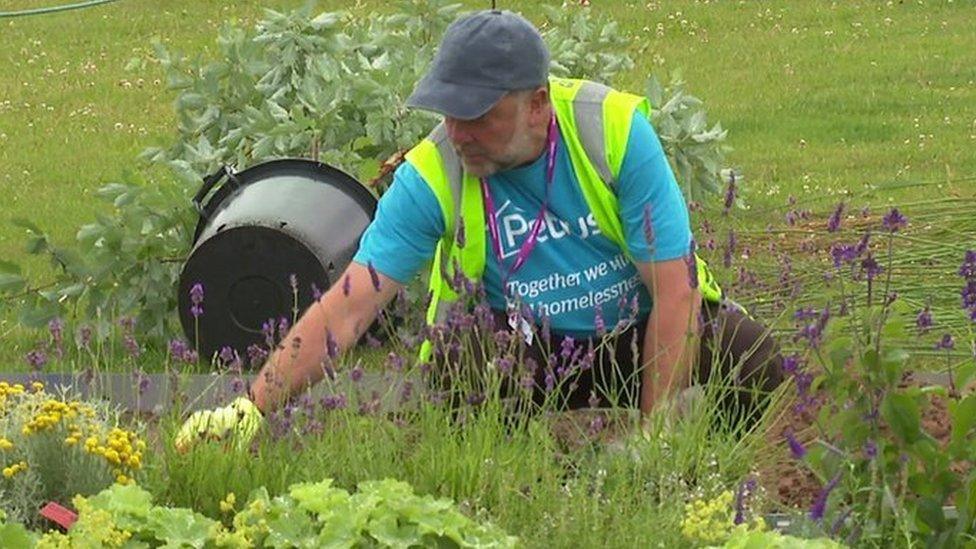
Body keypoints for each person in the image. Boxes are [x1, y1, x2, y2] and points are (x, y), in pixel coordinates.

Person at [176, 10, 784, 450]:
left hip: (631, 333)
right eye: (450, 112)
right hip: (520, 351)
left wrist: (657, 441)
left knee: (748, 356)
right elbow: (348, 307)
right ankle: (512, 485)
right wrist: (250, 408)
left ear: (538, 104)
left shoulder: (615, 132)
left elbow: (674, 291)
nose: (459, 132)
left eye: (480, 115)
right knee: (457, 361)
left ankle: (700, 472)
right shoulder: (433, 170)